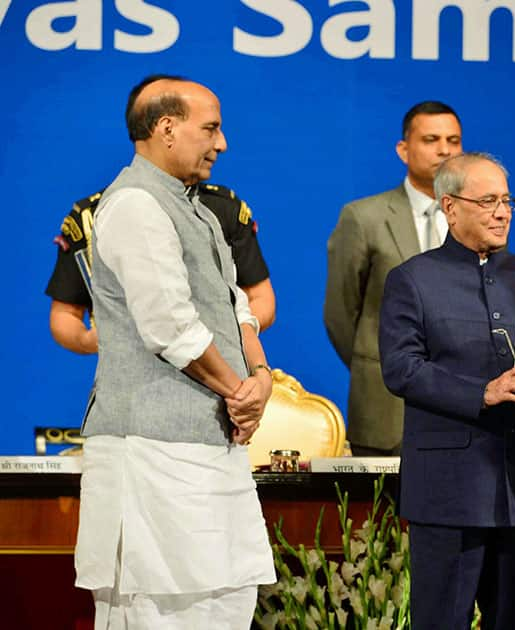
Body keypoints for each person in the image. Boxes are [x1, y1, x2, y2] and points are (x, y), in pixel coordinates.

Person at [73, 74, 275, 627]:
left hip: (208, 449)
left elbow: (235, 304)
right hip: (150, 452)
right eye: (210, 128)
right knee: (159, 611)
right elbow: (170, 326)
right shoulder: (135, 206)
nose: (222, 142)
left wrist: (259, 374)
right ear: (166, 129)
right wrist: (240, 394)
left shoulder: (200, 212)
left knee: (225, 604)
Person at [379, 152, 515, 629]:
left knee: (510, 620)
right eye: (487, 201)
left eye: (507, 201)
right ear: (450, 206)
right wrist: (481, 392)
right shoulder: (412, 279)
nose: (501, 212)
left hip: (514, 480)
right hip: (448, 487)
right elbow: (401, 368)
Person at [325, 101, 462, 456]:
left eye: (454, 140)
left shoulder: (478, 216)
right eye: (431, 139)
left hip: (463, 407)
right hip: (385, 407)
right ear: (404, 149)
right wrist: (383, 363)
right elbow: (342, 313)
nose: (444, 149)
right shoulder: (363, 216)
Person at [45, 182, 275, 355]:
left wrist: (220, 333)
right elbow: (64, 315)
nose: (220, 144)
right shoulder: (90, 217)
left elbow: (261, 298)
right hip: (127, 384)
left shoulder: (224, 208)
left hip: (220, 372)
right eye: (209, 129)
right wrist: (94, 340)